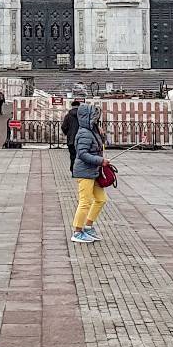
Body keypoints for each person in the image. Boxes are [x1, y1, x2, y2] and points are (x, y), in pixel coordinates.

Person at [71, 103, 109, 243]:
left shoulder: (93, 130)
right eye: (94, 116)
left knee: (101, 199)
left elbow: (99, 146)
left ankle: (88, 226)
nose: (96, 118)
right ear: (87, 117)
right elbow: (82, 154)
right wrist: (100, 160)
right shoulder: (84, 133)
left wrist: (102, 136)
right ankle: (77, 231)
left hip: (93, 171)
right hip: (84, 172)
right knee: (85, 202)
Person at [61, 99, 82, 171]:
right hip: (82, 140)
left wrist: (68, 133)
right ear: (79, 106)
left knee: (73, 156)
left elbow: (63, 127)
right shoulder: (83, 116)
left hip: (71, 140)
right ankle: (80, 171)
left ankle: (73, 171)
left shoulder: (67, 116)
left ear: (72, 106)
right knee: (82, 156)